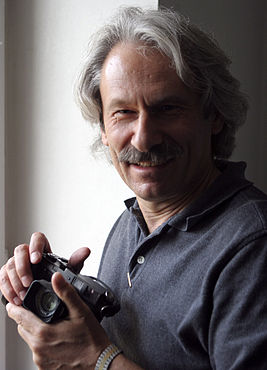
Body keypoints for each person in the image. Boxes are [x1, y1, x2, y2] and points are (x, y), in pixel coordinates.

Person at [1, 6, 267, 369]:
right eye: (123, 112)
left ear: (215, 115)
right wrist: (67, 303)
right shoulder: (132, 222)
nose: (142, 140)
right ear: (104, 130)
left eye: (167, 109)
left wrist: (97, 359)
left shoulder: (253, 246)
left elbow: (100, 361)